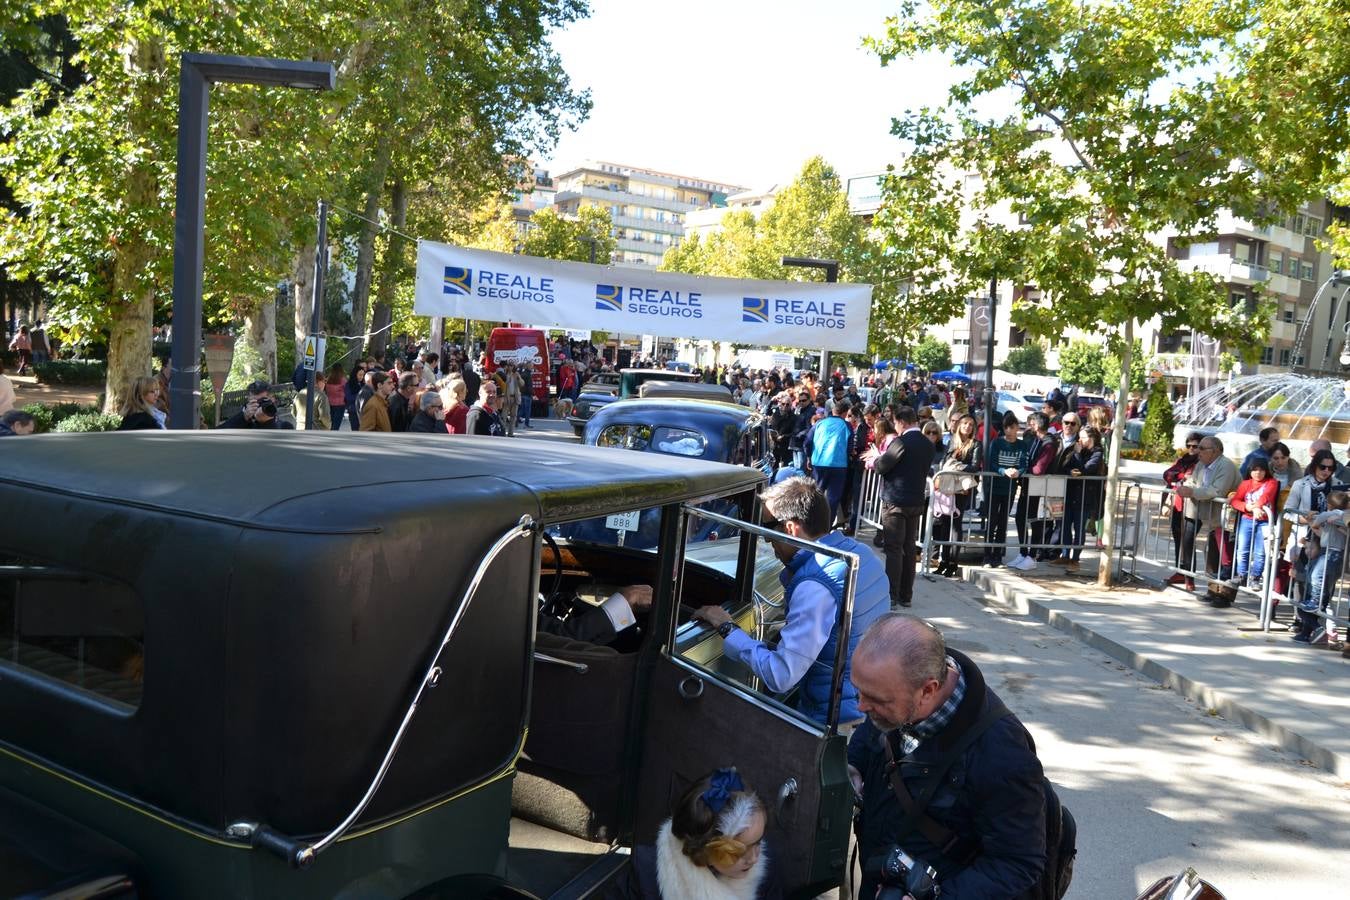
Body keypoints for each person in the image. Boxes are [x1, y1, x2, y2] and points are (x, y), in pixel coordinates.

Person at [848, 614, 1047, 899]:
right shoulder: (896, 687)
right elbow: (872, 733)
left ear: (928, 690)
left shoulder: (1002, 754)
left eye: (876, 700)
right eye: (859, 692)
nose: (860, 707)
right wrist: (854, 763)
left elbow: (1018, 863)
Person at [692, 477, 889, 726]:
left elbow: (780, 676)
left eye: (768, 528)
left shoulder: (815, 584)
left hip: (835, 719)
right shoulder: (862, 554)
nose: (766, 540)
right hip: (863, 705)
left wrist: (727, 628)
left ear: (790, 528)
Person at [606, 767, 782, 900]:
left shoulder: (765, 872)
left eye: (758, 842)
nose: (753, 858)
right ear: (704, 849)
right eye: (739, 851)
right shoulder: (648, 875)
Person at [865, 406, 934, 608]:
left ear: (902, 422)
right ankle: (906, 595)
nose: (895, 426)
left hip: (896, 499)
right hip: (916, 499)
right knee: (909, 547)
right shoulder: (927, 444)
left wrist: (875, 459)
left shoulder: (901, 442)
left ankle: (892, 595)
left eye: (895, 423)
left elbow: (882, 466)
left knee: (894, 548)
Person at [1174, 435, 1240, 592]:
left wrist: (1191, 491)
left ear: (1215, 451)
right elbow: (1193, 481)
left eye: (1202, 448)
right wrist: (1187, 487)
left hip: (1223, 517)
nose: (1198, 451)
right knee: (1209, 552)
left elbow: (1216, 491)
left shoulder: (1226, 466)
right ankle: (1209, 589)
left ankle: (1223, 593)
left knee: (1223, 555)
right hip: (1205, 513)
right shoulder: (1201, 465)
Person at [1050, 424, 1104, 571]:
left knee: (1079, 528)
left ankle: (1075, 559)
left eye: (1083, 437)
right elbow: (1067, 466)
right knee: (1065, 526)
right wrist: (1070, 471)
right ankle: (1065, 555)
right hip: (1070, 493)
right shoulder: (1077, 450)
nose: (1079, 440)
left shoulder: (1097, 453)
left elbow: (1086, 469)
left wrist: (1079, 456)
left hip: (1085, 496)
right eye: (1079, 437)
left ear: (1091, 438)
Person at [1012, 412, 1059, 570]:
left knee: (1036, 521)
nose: (1028, 426)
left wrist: (1022, 470)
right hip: (1028, 485)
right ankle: (1023, 552)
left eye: (1031, 423)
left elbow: (1039, 469)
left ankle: (1032, 556)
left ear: (1037, 425)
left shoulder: (1049, 443)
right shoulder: (1034, 439)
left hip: (1041, 487)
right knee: (1020, 518)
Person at [1302, 491, 1349, 645]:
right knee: (1320, 580)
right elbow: (1322, 532)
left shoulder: (1329, 514)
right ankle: (1318, 614)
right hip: (1336, 552)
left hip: (1331, 552)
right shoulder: (1344, 516)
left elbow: (1316, 524)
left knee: (1315, 576)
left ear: (1329, 504)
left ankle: (1316, 601)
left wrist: (1314, 519)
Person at [983, 413, 1027, 568]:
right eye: (1007, 427)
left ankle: (998, 556)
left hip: (1010, 488)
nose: (1009, 430)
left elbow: (1024, 463)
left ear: (1017, 428)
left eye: (1012, 427)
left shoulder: (1022, 445)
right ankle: (987, 556)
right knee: (992, 521)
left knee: (1003, 523)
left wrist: (1018, 472)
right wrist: (1003, 471)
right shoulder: (996, 443)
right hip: (994, 487)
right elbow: (992, 463)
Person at [1229, 457, 1278, 589]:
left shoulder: (1272, 482)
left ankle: (1256, 577)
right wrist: (1247, 507)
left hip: (1264, 522)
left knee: (1260, 552)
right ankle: (1241, 575)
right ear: (1250, 471)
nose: (1258, 472)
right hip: (1247, 519)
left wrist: (1256, 507)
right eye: (1255, 470)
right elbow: (1235, 501)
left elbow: (1266, 496)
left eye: (1261, 470)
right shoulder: (1245, 484)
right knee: (1242, 549)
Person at [1163, 433, 1204, 586]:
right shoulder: (1182, 460)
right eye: (1189, 445)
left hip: (1193, 507)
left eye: (1195, 446)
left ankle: (1189, 576)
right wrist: (1181, 476)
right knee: (1178, 538)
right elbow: (1167, 474)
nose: (1191, 449)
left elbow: (1195, 480)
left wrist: (1180, 477)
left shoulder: (1202, 463)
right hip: (1178, 504)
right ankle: (1180, 572)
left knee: (1188, 540)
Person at [804, 401, 852, 523]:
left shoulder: (819, 423)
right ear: (845, 413)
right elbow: (850, 446)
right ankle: (826, 527)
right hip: (839, 465)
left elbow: (807, 442)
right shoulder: (846, 425)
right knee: (833, 498)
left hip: (819, 463)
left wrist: (809, 457)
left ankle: (811, 523)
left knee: (816, 494)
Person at [217, 380, 292, 430]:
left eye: (263, 400)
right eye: (255, 402)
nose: (260, 405)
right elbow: (218, 433)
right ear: (248, 401)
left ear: (272, 399)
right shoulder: (241, 423)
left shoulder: (285, 427)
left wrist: (267, 421)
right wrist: (244, 417)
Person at [324, 364, 348, 431]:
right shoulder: (343, 380)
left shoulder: (328, 379)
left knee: (330, 421)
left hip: (330, 403)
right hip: (340, 404)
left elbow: (325, 390)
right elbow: (347, 391)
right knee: (336, 423)